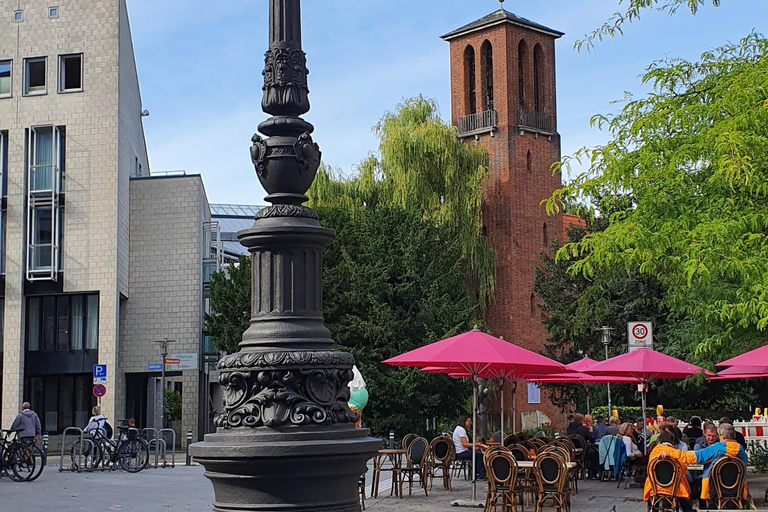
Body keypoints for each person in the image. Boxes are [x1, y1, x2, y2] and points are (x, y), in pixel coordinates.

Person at [643, 430, 697, 512]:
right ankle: (687, 509)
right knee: (682, 483)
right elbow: (682, 470)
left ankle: (653, 507)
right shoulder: (674, 452)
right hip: (673, 488)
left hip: (654, 488)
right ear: (673, 441)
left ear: (660, 440)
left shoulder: (654, 452)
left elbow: (649, 469)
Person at [452, 415, 487, 479]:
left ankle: (475, 474)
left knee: (476, 453)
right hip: (461, 453)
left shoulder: (459, 429)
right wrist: (477, 445)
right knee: (479, 455)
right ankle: (480, 474)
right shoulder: (461, 430)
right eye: (469, 421)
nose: (470, 423)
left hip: (460, 451)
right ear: (464, 421)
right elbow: (464, 444)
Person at [566, 413, 599, 478]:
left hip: (572, 452)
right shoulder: (583, 429)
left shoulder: (568, 428)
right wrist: (591, 431)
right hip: (583, 452)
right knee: (594, 453)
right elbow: (592, 440)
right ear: (581, 420)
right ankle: (592, 473)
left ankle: (576, 472)